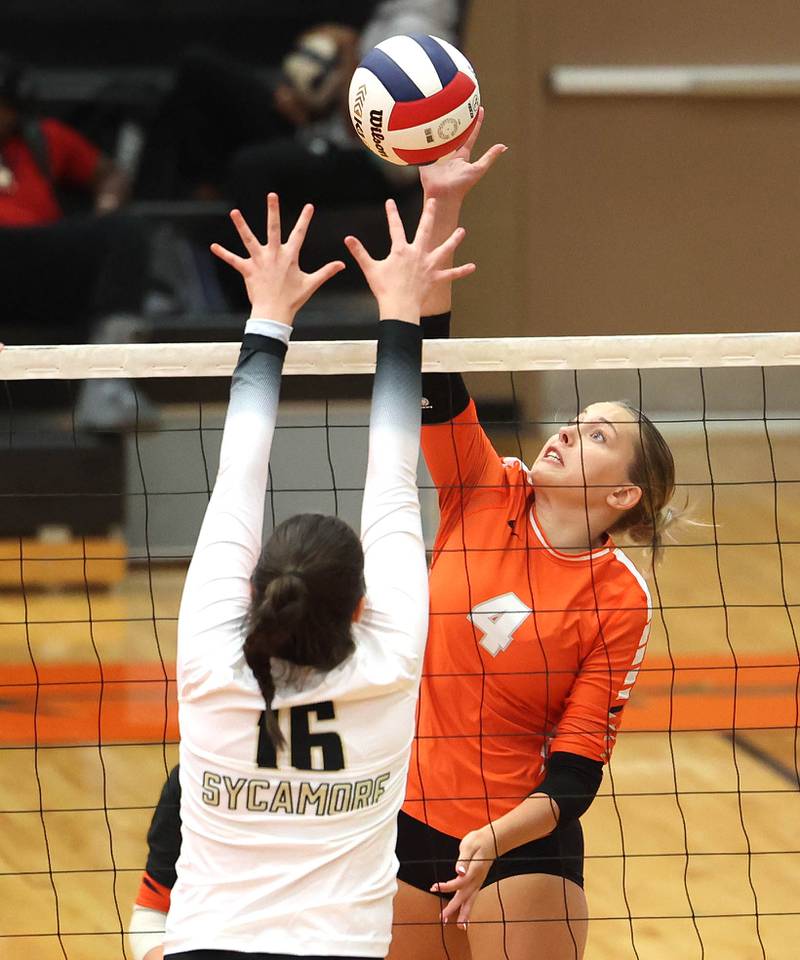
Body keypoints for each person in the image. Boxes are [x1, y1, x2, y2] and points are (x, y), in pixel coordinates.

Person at [386, 113, 677, 960]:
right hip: (407, 816)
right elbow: (435, 378)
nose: (564, 433)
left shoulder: (618, 595)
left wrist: (496, 838)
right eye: (574, 421)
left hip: (520, 837)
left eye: (596, 437)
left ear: (624, 493)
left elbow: (577, 768)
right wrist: (437, 207)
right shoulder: (485, 489)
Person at [159, 191, 474, 960]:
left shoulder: (210, 656)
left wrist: (269, 316)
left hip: (208, 948)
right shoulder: (391, 660)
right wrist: (400, 313)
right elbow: (396, 478)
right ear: (363, 603)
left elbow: (239, 468)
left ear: (253, 588)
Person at [0, 52, 154, 430]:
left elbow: (110, 174)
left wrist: (106, 203)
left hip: (41, 261)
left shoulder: (45, 138)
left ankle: (106, 382)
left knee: (125, 230)